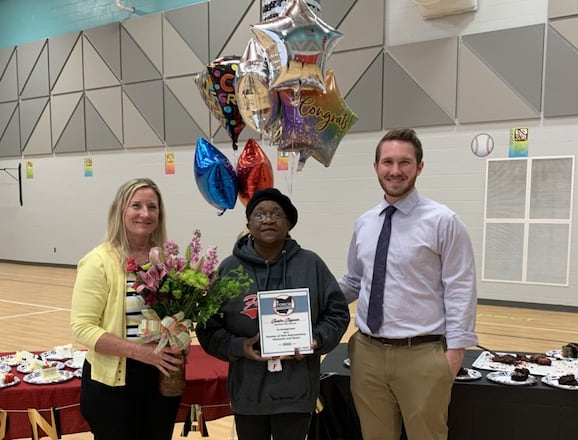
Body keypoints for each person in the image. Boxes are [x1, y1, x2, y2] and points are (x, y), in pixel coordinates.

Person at [338, 128, 479, 440]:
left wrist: (455, 353)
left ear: (419, 167)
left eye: (405, 162)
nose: (395, 170)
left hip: (423, 355)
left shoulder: (443, 221)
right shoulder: (365, 223)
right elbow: (354, 280)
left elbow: (461, 288)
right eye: (387, 162)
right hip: (368, 353)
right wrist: (308, 300)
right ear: (376, 167)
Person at [197, 187, 350, 440]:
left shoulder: (310, 264)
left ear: (289, 224)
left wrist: (315, 340)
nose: (268, 219)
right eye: (259, 214)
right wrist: (239, 347)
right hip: (248, 392)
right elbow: (208, 327)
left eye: (276, 214)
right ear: (248, 224)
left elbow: (337, 314)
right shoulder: (230, 268)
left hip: (296, 391)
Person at [71, 178, 183, 440]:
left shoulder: (167, 261)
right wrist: (142, 353)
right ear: (120, 211)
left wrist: (179, 338)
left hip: (161, 378)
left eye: (152, 207)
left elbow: (177, 316)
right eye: (136, 206)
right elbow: (82, 328)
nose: (145, 213)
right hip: (113, 386)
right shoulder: (99, 261)